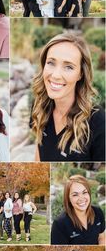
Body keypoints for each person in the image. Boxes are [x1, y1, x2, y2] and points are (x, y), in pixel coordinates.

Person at [31, 32, 105, 161]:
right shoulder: (39, 106)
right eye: (51, 63)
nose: (56, 75)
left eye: (69, 67)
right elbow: (39, 152)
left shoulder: (98, 122)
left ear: (80, 74)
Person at [51, 175, 105, 245]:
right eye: (75, 195)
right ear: (68, 198)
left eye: (84, 192)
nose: (81, 198)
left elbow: (102, 237)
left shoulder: (97, 212)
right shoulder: (60, 224)